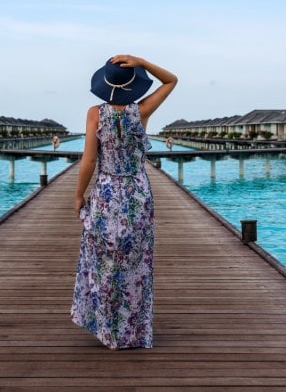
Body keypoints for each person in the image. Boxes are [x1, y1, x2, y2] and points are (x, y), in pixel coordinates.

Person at [70, 54, 178, 350]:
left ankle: (108, 330)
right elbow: (172, 80)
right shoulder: (141, 110)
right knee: (135, 264)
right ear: (133, 85)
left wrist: (79, 194)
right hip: (137, 193)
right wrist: (141, 61)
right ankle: (133, 332)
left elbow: (89, 159)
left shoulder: (95, 113)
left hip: (106, 193)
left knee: (104, 262)